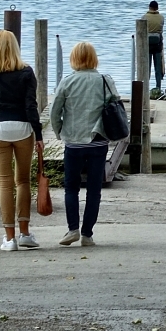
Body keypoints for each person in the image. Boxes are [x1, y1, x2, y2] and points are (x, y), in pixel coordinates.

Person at [49, 41, 119, 247]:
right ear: (93, 58)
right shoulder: (104, 80)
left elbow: (55, 112)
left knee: (71, 188)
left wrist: (60, 131)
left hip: (74, 142)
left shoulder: (67, 82)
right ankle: (87, 234)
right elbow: (115, 104)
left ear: (74, 59)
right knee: (94, 189)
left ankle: (72, 229)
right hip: (98, 141)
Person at [0, 30, 44, 251]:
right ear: (15, 46)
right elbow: (31, 105)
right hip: (23, 128)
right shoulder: (26, 71)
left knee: (4, 184)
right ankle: (25, 233)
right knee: (23, 181)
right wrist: (39, 135)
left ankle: (9, 239)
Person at [143, 0, 165, 91]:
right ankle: (158, 88)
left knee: (147, 68)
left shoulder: (144, 17)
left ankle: (145, 89)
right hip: (158, 45)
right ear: (157, 8)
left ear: (149, 7)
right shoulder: (161, 17)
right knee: (158, 69)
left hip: (147, 45)